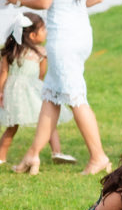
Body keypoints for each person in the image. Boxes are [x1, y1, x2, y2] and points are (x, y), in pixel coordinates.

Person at [5, 0, 110, 175]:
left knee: (75, 97)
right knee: (51, 95)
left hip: (62, 38)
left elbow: (44, 2)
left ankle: (98, 156)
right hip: (82, 36)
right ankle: (32, 156)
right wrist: (74, 8)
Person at [0, 10, 74, 165]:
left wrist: (1, 92)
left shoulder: (11, 51)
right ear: (33, 35)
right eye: (43, 29)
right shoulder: (40, 52)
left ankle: (1, 157)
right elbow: (41, 75)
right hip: (31, 90)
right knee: (47, 121)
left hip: (14, 92)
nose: (46, 32)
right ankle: (56, 151)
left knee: (12, 126)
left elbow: (4, 74)